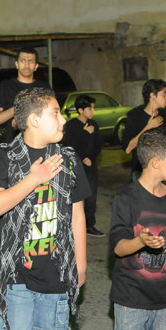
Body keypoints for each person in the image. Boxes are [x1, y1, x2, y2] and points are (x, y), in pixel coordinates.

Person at [0, 87, 89, 330]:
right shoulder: (4, 156)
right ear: (34, 120)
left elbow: (77, 215)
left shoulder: (68, 159)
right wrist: (34, 179)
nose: (63, 119)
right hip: (14, 273)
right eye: (56, 113)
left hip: (57, 271)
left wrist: (81, 264)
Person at [109, 127, 166, 330]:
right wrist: (140, 241)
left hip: (163, 300)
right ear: (156, 162)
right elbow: (118, 247)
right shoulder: (126, 198)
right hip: (130, 300)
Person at [63, 94, 104, 237]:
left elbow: (98, 144)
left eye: (93, 108)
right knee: (75, 198)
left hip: (90, 166)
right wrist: (84, 133)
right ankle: (71, 227)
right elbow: (69, 146)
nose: (93, 111)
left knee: (91, 198)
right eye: (89, 108)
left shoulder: (94, 124)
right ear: (80, 110)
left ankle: (89, 225)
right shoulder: (71, 126)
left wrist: (90, 158)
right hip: (75, 167)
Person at [0, 48, 49, 143]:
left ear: (36, 66)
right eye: (23, 61)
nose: (27, 65)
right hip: (13, 145)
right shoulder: (6, 86)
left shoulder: (44, 87)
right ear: (17, 64)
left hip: (39, 143)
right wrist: (19, 108)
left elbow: (51, 116)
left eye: (31, 61)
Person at [122, 79, 166, 181]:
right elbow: (128, 148)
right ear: (152, 95)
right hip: (141, 171)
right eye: (164, 94)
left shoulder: (165, 118)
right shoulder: (134, 116)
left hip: (161, 170)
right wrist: (148, 127)